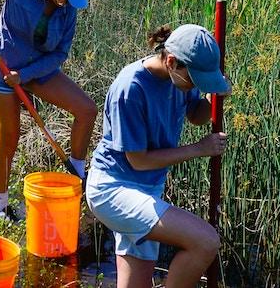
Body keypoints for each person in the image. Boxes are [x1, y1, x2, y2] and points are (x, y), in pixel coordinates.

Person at [85, 24, 231, 288]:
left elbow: (196, 115)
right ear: (172, 61)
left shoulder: (179, 78)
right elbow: (138, 160)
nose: (194, 86)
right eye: (195, 80)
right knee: (205, 241)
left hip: (148, 189)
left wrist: (214, 95)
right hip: (112, 189)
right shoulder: (130, 89)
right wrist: (199, 149)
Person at [0, 0, 98, 222]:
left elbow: (60, 52)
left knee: (87, 110)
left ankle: (76, 177)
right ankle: (0, 207)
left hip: (36, 70)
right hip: (3, 68)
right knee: (9, 141)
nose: (66, 3)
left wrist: (25, 76)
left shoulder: (68, 9)